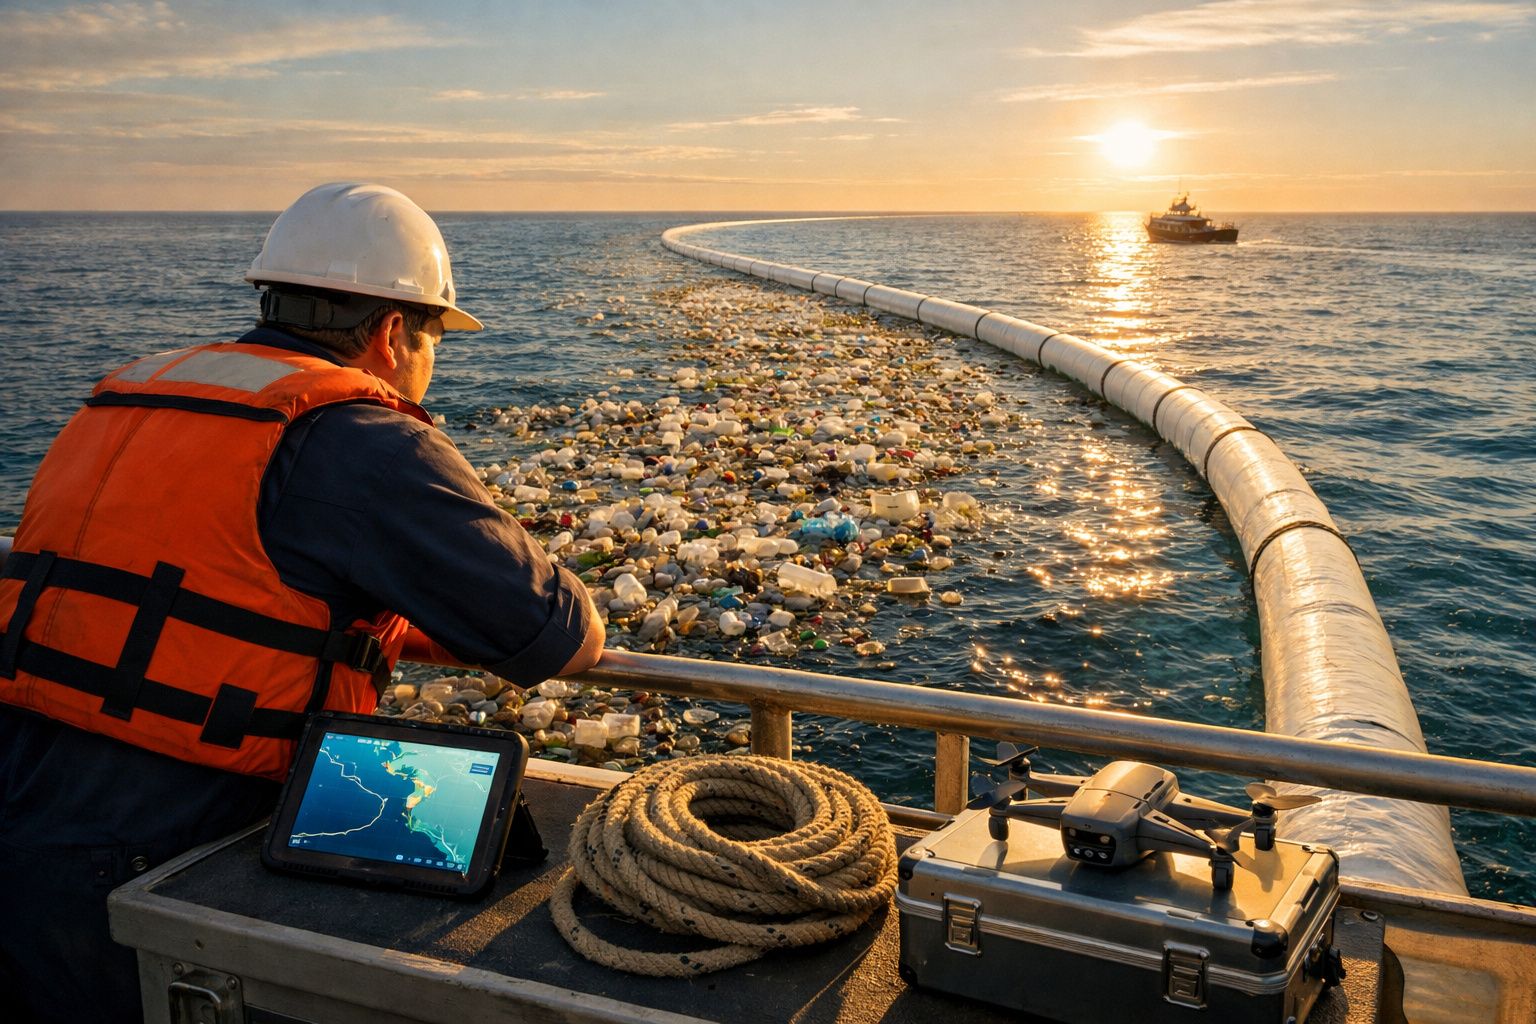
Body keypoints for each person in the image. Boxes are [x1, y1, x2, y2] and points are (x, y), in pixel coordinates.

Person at [0, 182, 604, 1023]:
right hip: (158, 838)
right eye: (435, 337)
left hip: (23, 790)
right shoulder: (363, 442)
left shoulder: (126, 395)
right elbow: (552, 634)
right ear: (395, 332)